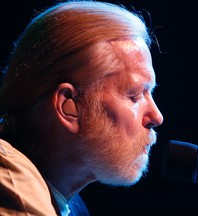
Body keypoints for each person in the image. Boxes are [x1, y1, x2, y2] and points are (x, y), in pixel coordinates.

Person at [0, 0, 164, 215]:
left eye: (149, 93)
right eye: (134, 95)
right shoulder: (14, 187)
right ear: (69, 105)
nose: (156, 116)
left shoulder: (65, 201)